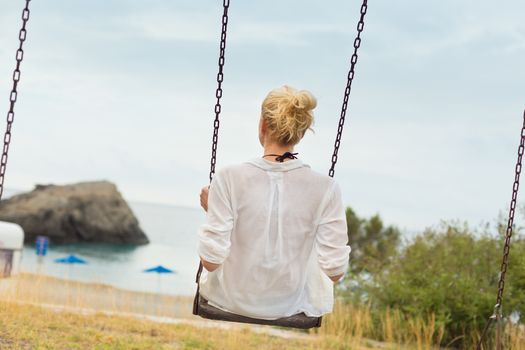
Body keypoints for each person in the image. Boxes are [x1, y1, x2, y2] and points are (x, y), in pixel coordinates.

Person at [197, 85, 351, 320]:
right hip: (289, 304)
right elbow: (335, 272)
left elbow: (210, 261)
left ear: (263, 125)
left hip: (229, 299)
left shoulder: (229, 177)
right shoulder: (326, 188)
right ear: (300, 133)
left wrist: (214, 210)